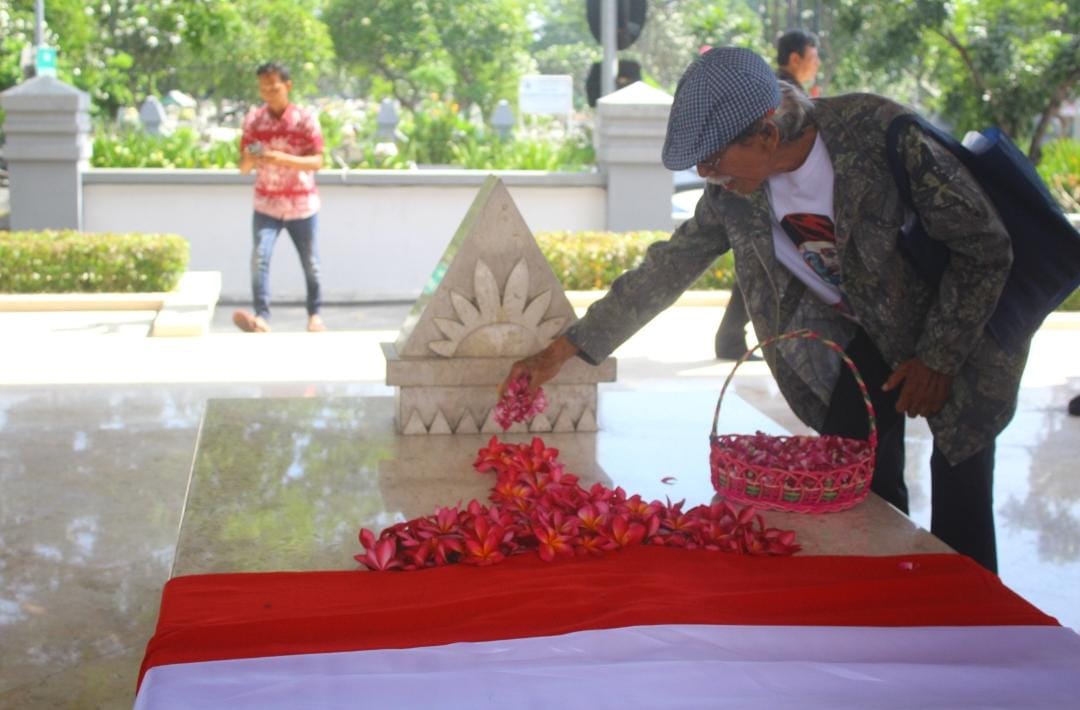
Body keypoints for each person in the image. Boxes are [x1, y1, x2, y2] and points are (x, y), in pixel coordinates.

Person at [502, 47, 1025, 574]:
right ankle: (879, 591)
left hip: (963, 325)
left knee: (961, 477)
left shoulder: (878, 134)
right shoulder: (736, 192)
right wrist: (566, 348)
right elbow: (670, 265)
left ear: (767, 136)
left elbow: (985, 246)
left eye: (713, 160)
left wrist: (938, 357)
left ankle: (978, 623)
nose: (708, 175)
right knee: (852, 472)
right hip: (870, 331)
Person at [714, 29, 821, 360]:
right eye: (814, 58)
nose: (816, 65)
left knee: (756, 269)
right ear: (795, 58)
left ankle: (731, 337)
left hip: (765, 204)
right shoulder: (778, 96)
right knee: (757, 269)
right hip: (761, 200)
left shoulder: (780, 92)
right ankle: (731, 338)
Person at [232, 61, 326, 334]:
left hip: (301, 205)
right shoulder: (254, 120)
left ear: (287, 85)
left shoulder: (305, 119)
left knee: (311, 262)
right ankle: (261, 316)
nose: (269, 92)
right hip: (266, 204)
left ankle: (315, 315)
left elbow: (318, 161)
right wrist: (251, 157)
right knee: (259, 258)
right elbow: (243, 168)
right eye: (263, 88)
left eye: (273, 86)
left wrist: (281, 158)